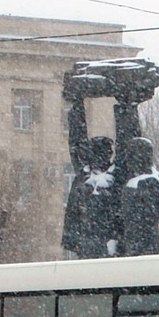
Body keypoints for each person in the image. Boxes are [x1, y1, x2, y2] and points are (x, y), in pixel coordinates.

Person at [61, 98, 118, 259]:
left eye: (105, 152)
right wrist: (77, 106)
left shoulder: (114, 175)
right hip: (86, 242)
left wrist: (125, 107)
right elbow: (76, 143)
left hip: (109, 244)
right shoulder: (84, 175)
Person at [116, 137, 159, 257]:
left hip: (146, 243)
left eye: (132, 155)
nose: (129, 160)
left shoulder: (151, 184)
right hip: (130, 244)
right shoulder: (130, 182)